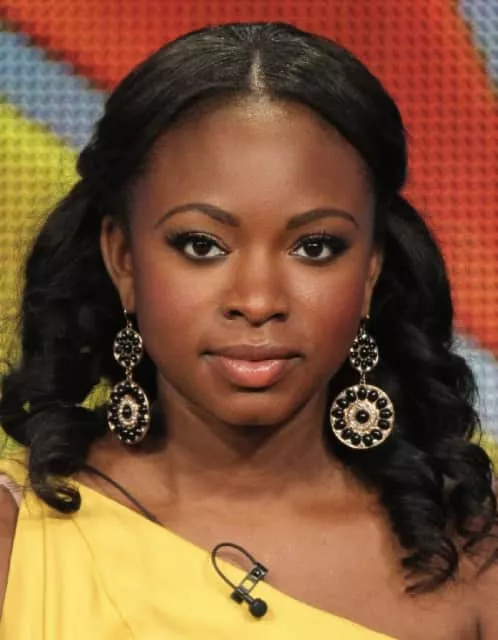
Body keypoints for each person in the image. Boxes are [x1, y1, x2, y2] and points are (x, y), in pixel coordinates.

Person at [0, 21, 496, 639]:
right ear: (123, 259)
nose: (258, 301)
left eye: (315, 247)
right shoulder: (16, 541)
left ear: (371, 269)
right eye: (201, 245)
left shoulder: (471, 561)